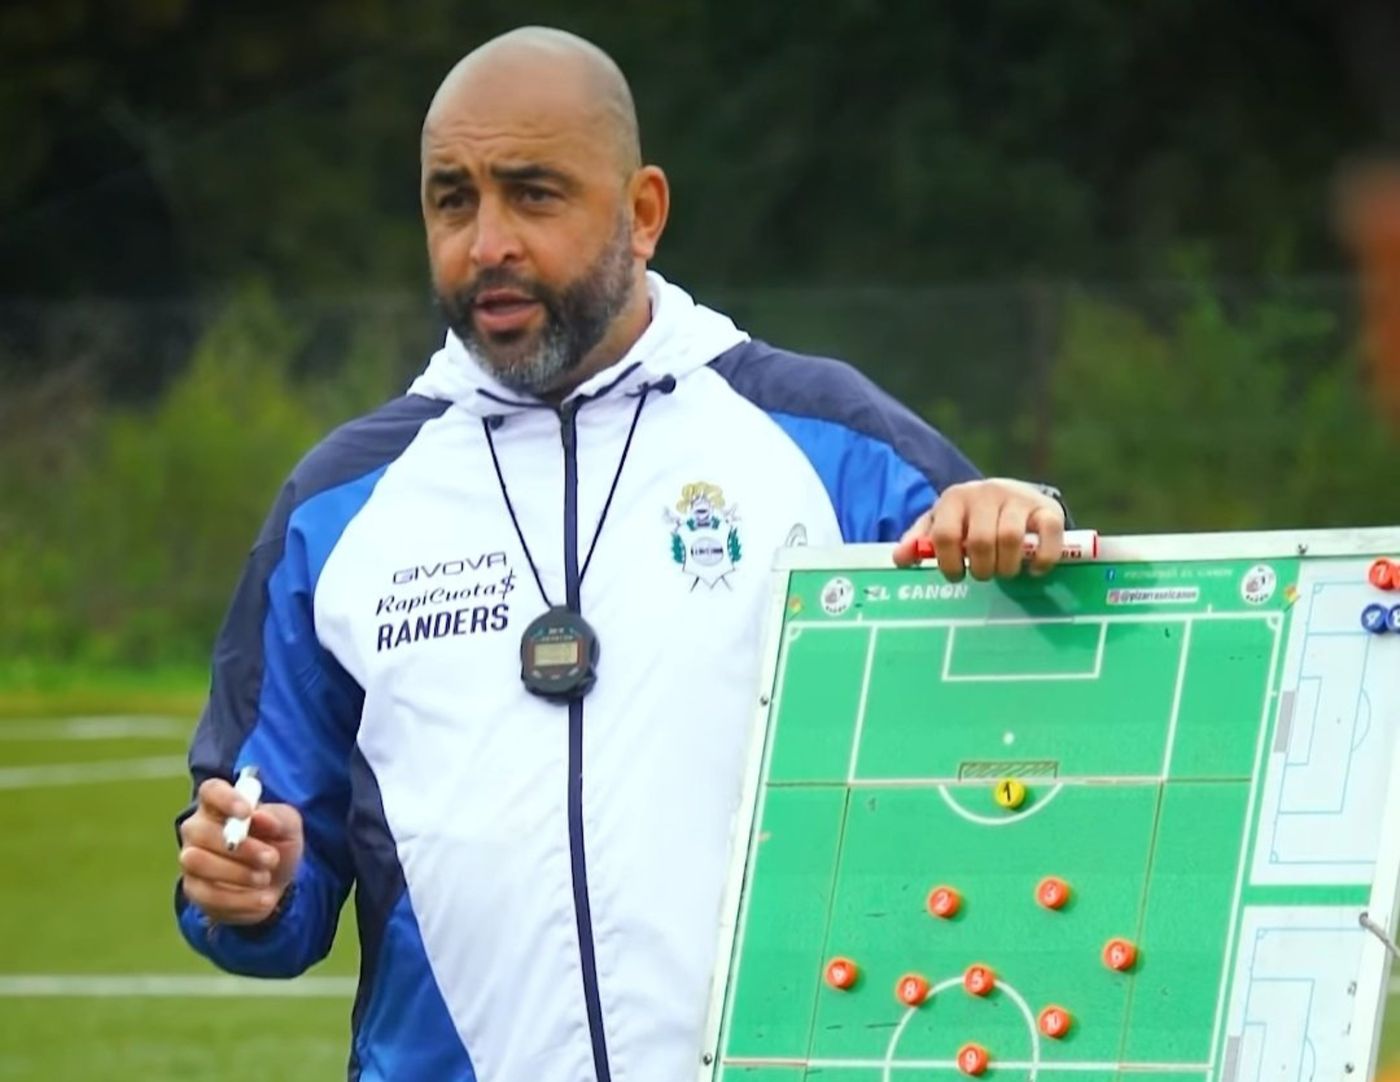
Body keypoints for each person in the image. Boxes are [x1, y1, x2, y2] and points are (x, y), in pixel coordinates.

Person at [173, 26, 1072, 1082]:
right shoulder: (338, 507)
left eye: (533, 194)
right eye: (452, 201)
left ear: (642, 213)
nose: (487, 242)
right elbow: (259, 849)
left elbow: (1035, 688)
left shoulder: (827, 444)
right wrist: (248, 887)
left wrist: (1018, 520)